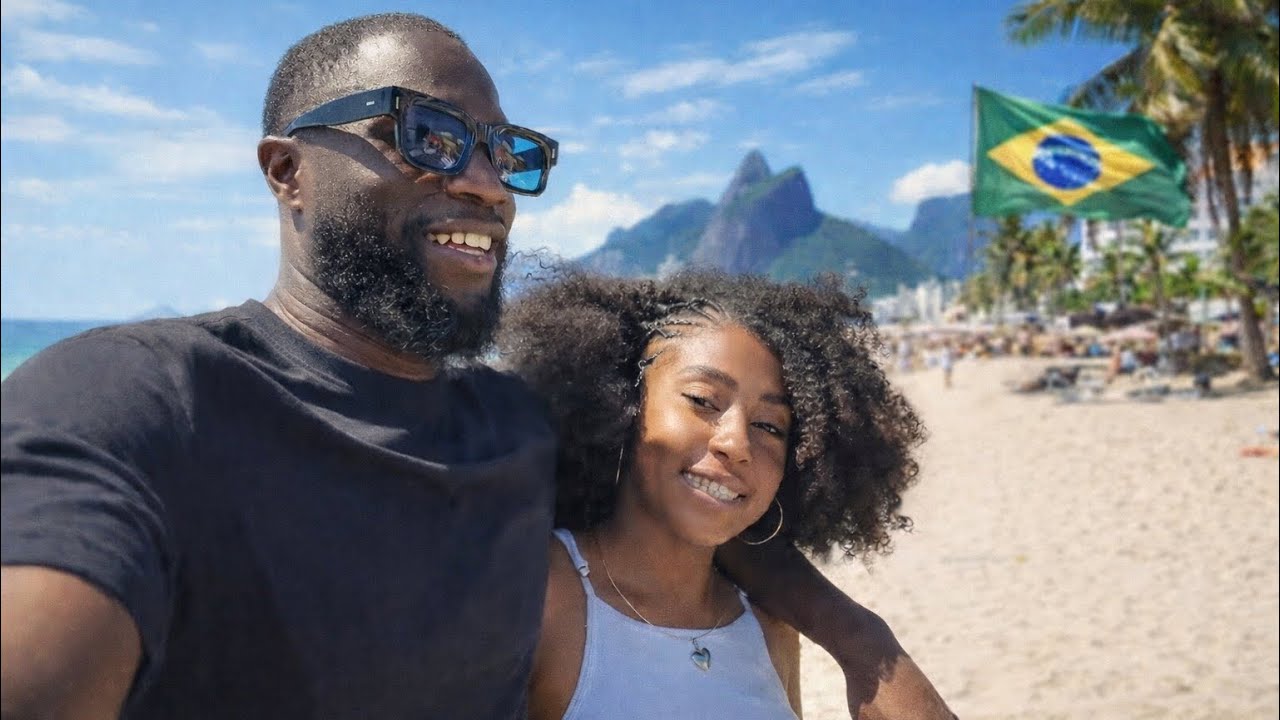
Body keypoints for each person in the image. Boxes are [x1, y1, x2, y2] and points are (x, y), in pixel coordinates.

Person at [1, 12, 951, 720]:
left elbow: (697, 495)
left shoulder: (524, 427)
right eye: (428, 136)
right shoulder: (136, 401)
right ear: (287, 170)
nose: (487, 184)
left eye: (510, 153)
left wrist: (854, 635)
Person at [501, 271, 939, 719]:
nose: (737, 443)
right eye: (703, 401)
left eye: (770, 426)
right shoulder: (541, 593)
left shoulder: (769, 627)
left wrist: (863, 638)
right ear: (623, 407)